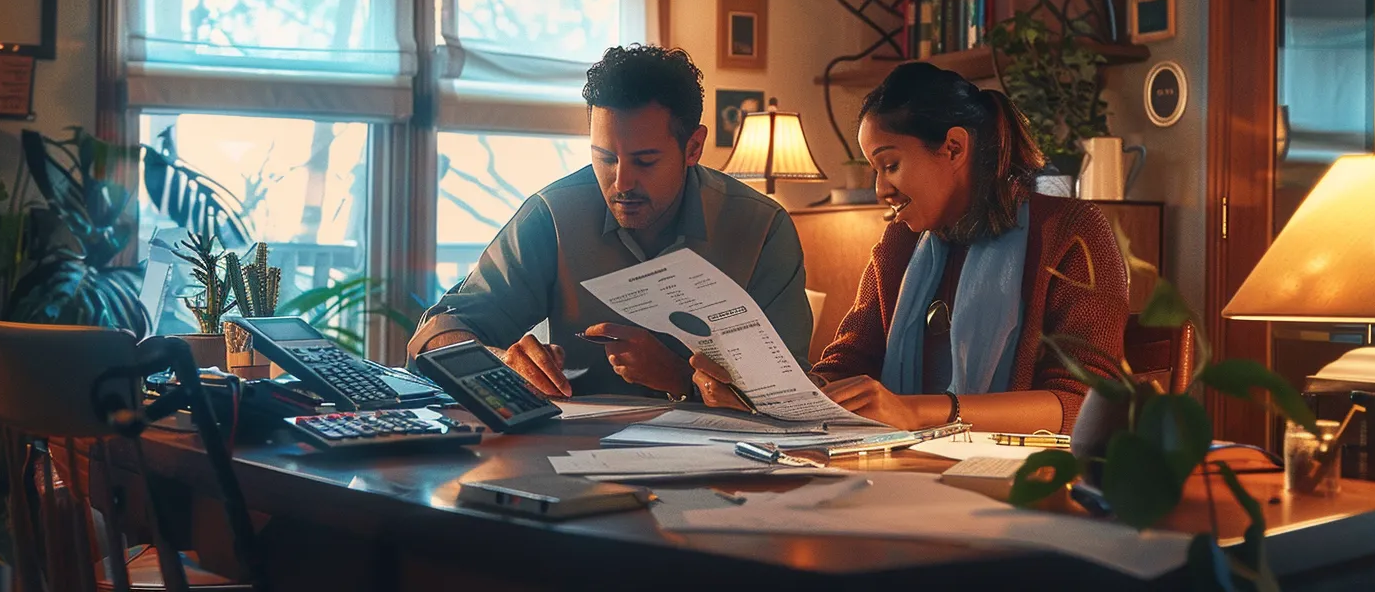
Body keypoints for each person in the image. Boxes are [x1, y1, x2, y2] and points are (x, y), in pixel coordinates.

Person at [691, 62, 1127, 434]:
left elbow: (1083, 406)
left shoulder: (1071, 231)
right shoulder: (900, 242)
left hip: (1018, 486)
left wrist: (916, 412)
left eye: (891, 165)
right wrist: (764, 397)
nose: (881, 188)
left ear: (954, 147)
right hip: (907, 467)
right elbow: (848, 362)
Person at [407, 44, 811, 399]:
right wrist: (503, 365)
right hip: (574, 463)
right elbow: (435, 336)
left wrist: (678, 378)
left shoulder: (763, 229)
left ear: (694, 147)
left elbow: (791, 395)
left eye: (645, 160)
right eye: (604, 157)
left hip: (732, 467)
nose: (621, 182)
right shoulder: (552, 215)